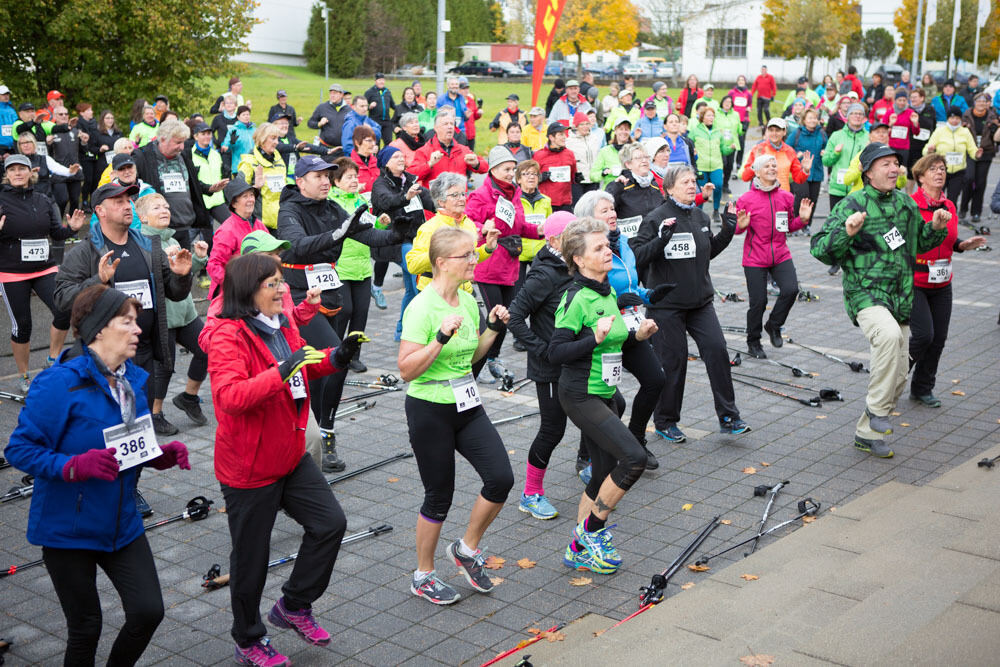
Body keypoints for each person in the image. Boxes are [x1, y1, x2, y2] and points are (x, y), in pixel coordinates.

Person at [5, 284, 191, 665]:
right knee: (86, 627)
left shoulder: (133, 381)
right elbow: (19, 450)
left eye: (137, 322)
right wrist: (72, 466)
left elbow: (128, 447)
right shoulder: (58, 383)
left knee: (148, 611)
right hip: (67, 529)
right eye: (128, 322)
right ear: (99, 329)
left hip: (121, 522)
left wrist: (157, 455)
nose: (139, 330)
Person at [203, 252, 356, 664]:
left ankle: (293, 605)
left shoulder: (281, 322)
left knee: (330, 524)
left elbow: (302, 364)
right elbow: (230, 399)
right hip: (249, 467)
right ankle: (249, 638)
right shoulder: (226, 334)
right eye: (272, 283)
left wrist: (336, 357)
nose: (282, 289)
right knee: (251, 560)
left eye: (280, 282)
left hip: (289, 454)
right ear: (248, 290)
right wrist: (282, 371)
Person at [397, 226, 514, 604]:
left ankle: (466, 549)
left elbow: (471, 356)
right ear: (443, 263)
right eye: (467, 255)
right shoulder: (421, 307)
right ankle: (423, 575)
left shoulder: (466, 300)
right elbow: (406, 369)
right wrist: (439, 339)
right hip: (429, 408)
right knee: (439, 495)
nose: (475, 259)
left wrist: (493, 329)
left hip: (466, 403)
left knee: (500, 478)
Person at [810, 143, 949, 458]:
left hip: (900, 298)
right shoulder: (852, 203)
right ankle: (876, 410)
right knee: (886, 337)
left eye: (896, 164)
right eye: (885, 164)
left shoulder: (904, 203)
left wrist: (937, 229)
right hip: (865, 294)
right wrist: (846, 232)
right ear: (868, 171)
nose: (893, 169)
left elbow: (920, 243)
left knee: (899, 372)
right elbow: (819, 249)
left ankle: (866, 433)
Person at [546, 217, 658, 575]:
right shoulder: (575, 298)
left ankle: (576, 549)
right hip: (580, 395)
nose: (608, 251)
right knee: (634, 458)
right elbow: (555, 352)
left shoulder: (606, 291)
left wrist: (637, 337)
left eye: (607, 245)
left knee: (601, 476)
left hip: (605, 392)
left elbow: (615, 341)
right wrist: (591, 338)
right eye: (599, 248)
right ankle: (592, 534)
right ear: (578, 259)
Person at [276, 155, 400, 472]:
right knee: (336, 357)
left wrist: (400, 231)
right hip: (300, 295)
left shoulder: (331, 207)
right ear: (300, 181)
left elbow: (365, 233)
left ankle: (320, 432)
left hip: (331, 289)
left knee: (321, 368)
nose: (324, 181)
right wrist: (337, 234)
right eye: (317, 176)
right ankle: (310, 433)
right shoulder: (290, 208)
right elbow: (297, 245)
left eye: (327, 175)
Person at [630, 164, 750, 443]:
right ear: (669, 188)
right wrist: (661, 241)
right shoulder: (655, 218)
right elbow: (637, 256)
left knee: (718, 351)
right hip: (666, 305)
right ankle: (666, 421)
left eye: (693, 181)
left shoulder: (699, 215)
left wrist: (728, 230)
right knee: (673, 363)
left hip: (700, 302)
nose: (691, 185)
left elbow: (705, 253)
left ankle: (729, 417)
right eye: (685, 182)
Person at [575, 191, 670, 468]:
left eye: (613, 208)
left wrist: (650, 295)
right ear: (589, 219)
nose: (613, 214)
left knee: (655, 380)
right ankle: (586, 456)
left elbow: (632, 286)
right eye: (604, 211)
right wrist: (616, 303)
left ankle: (637, 438)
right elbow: (585, 295)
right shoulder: (584, 254)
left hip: (632, 328)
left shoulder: (624, 243)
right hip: (604, 331)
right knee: (603, 395)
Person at [507, 211, 576, 518]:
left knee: (611, 405)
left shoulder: (574, 265)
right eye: (572, 234)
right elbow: (515, 316)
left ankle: (587, 462)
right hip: (549, 366)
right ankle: (531, 493)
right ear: (554, 241)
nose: (579, 238)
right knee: (553, 429)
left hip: (576, 360)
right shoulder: (543, 275)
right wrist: (543, 350)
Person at [0, 154, 86, 391]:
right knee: (22, 325)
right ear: (7, 174)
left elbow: (56, 233)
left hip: (44, 267)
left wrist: (71, 229)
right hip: (12, 272)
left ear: (31, 173)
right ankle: (24, 374)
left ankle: (53, 360)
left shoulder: (43, 198)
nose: (17, 173)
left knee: (64, 310)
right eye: (12, 169)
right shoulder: (1, 199)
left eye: (22, 169)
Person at [908, 154, 987, 408]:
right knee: (923, 336)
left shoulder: (950, 206)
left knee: (938, 339)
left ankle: (922, 388)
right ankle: (892, 378)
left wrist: (962, 245)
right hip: (916, 281)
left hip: (942, 283)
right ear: (920, 176)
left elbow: (948, 240)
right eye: (933, 169)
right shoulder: (910, 206)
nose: (939, 173)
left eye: (942, 169)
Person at [464, 146, 543, 381]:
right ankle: (480, 361)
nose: (511, 173)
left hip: (510, 264)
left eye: (513, 169)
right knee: (494, 317)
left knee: (507, 316)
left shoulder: (514, 193)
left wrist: (539, 230)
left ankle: (493, 358)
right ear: (494, 169)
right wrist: (482, 228)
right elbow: (468, 222)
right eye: (507, 169)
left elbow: (519, 227)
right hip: (488, 265)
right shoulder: (481, 195)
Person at [135, 194, 209, 428]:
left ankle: (188, 397)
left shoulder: (171, 239)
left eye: (166, 206)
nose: (164, 210)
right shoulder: (142, 243)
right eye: (156, 207)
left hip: (185, 313)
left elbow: (182, 276)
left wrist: (197, 259)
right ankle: (155, 414)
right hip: (162, 317)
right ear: (143, 217)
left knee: (209, 347)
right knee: (164, 367)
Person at [735, 154, 812, 358]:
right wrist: (739, 226)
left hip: (780, 253)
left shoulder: (786, 197)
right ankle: (753, 341)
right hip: (755, 258)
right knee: (758, 302)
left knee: (791, 289)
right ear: (757, 172)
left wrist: (803, 220)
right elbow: (735, 229)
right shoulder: (746, 199)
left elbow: (787, 226)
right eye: (766, 166)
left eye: (774, 165)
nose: (771, 168)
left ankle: (774, 325)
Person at [328, 155, 387, 372]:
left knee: (361, 313)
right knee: (344, 311)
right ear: (336, 181)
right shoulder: (332, 203)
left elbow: (370, 230)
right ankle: (335, 354)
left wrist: (380, 225)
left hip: (363, 266)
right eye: (349, 177)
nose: (354, 181)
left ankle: (354, 356)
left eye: (355, 176)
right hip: (341, 267)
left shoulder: (361, 201)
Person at [371, 146, 435, 341]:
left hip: (417, 238)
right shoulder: (380, 184)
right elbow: (386, 202)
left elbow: (430, 203)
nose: (401, 158)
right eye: (395, 156)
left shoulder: (412, 180)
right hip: (396, 239)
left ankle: (401, 332)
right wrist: (406, 197)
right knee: (420, 286)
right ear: (385, 162)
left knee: (410, 289)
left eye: (402, 155)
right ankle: (421, 333)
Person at [133, 119, 220, 249]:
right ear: (162, 139)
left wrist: (209, 188)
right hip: (158, 231)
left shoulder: (184, 155)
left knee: (184, 267)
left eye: (183, 142)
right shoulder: (142, 156)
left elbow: (191, 183)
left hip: (185, 226)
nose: (182, 147)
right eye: (178, 142)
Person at [207, 176, 268, 299]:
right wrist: (234, 285)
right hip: (232, 294)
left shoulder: (259, 225)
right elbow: (214, 265)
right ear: (234, 203)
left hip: (255, 289)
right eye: (245, 196)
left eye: (251, 195)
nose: (250, 199)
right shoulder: (227, 230)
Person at [411, 111, 486, 188]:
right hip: (435, 199)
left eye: (452, 124)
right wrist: (429, 164)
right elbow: (412, 176)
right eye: (445, 124)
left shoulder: (463, 150)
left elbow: (485, 168)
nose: (450, 127)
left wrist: (476, 163)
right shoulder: (423, 151)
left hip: (459, 198)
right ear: (436, 128)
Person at [923, 106, 979, 203]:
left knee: (952, 200)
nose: (954, 120)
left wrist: (977, 154)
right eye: (952, 118)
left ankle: (951, 218)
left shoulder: (965, 132)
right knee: (937, 198)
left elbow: (972, 149)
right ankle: (936, 217)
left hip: (958, 172)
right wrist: (929, 150)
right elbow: (925, 150)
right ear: (948, 118)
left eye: (957, 118)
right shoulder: (940, 131)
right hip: (940, 170)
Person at [740, 118, 811, 192]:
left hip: (783, 197)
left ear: (784, 132)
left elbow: (798, 179)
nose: (774, 133)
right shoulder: (759, 149)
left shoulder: (790, 151)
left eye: (777, 130)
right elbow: (745, 177)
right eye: (771, 130)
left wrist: (805, 170)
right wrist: (755, 164)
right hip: (762, 197)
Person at [959, 94, 1000, 222]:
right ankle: (963, 208)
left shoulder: (992, 117)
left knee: (981, 183)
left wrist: (995, 126)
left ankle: (976, 212)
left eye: (984, 101)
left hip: (986, 151)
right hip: (970, 151)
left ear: (987, 103)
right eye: (979, 101)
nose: (981, 103)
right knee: (969, 178)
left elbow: (996, 137)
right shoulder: (966, 115)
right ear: (975, 102)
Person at [691, 106, 736, 220]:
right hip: (701, 165)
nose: (711, 118)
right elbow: (689, 145)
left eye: (712, 115)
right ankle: (698, 212)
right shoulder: (695, 131)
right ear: (702, 117)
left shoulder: (718, 132)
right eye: (708, 115)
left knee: (718, 185)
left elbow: (723, 149)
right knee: (701, 190)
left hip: (716, 165)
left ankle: (716, 210)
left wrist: (730, 148)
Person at [823, 103, 869, 210]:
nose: (857, 116)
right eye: (853, 113)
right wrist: (835, 153)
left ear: (864, 118)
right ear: (847, 116)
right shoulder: (836, 136)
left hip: (859, 190)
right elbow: (826, 161)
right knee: (837, 223)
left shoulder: (869, 137)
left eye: (860, 114)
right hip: (838, 189)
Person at [787, 108, 828, 225]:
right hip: (799, 172)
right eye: (810, 118)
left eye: (815, 118)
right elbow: (787, 149)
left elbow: (828, 147)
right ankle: (794, 222)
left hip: (816, 171)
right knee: (802, 196)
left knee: (812, 200)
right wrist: (796, 154)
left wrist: (825, 151)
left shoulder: (822, 133)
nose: (813, 120)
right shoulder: (797, 133)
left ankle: (807, 225)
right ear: (804, 120)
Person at [606, 142, 663, 221]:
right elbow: (604, 209)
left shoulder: (654, 184)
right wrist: (616, 188)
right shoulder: (619, 185)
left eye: (646, 157)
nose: (644, 161)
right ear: (628, 164)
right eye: (639, 158)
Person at [189, 120, 229, 224]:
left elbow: (221, 175)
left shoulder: (216, 155)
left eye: (209, 134)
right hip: (201, 202)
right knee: (204, 236)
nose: (207, 136)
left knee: (230, 225)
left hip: (218, 200)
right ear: (196, 136)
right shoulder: (189, 155)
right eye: (203, 134)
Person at [535, 123, 577, 212]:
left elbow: (573, 176)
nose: (564, 137)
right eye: (560, 134)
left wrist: (577, 178)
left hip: (566, 203)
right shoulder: (539, 155)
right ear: (551, 137)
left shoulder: (570, 154)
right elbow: (529, 179)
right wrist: (541, 178)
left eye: (564, 134)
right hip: (546, 203)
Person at [567, 111, 602, 200]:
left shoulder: (594, 138)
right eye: (582, 124)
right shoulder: (569, 141)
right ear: (576, 126)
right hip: (579, 181)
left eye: (587, 124)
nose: (585, 126)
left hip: (593, 179)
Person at [308, 83, 350, 153]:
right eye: (331, 93)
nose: (332, 95)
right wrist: (319, 124)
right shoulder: (322, 107)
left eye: (335, 93)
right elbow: (310, 123)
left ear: (341, 95)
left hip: (343, 150)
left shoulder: (349, 110)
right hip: (326, 149)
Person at [716, 96, 744, 191]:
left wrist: (741, 129)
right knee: (723, 164)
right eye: (725, 101)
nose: (727, 103)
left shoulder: (736, 114)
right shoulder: (716, 113)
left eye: (729, 102)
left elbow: (739, 128)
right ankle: (718, 183)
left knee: (730, 165)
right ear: (722, 103)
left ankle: (725, 184)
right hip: (720, 143)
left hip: (732, 143)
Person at [908, 88, 938, 176]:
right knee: (911, 172)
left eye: (915, 97)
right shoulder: (909, 110)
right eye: (911, 97)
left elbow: (934, 125)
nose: (912, 99)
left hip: (926, 145)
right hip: (912, 145)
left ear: (922, 98)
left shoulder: (930, 109)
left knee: (925, 171)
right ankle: (910, 190)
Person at [365, 73, 396, 147]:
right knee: (375, 144)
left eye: (383, 80)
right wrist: (369, 106)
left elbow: (393, 105)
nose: (381, 82)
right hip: (375, 122)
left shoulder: (387, 92)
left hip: (387, 122)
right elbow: (363, 106)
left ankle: (387, 158)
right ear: (375, 81)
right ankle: (376, 158)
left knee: (389, 143)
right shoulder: (369, 92)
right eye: (379, 80)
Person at [348, 125, 379, 192]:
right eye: (369, 141)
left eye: (374, 141)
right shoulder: (348, 165)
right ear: (357, 143)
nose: (373, 144)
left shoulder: (378, 163)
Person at [459, 78, 482, 151]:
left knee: (471, 153)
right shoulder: (457, 101)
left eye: (467, 88)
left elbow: (474, 116)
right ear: (459, 90)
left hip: (471, 133)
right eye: (463, 89)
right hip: (461, 133)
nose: (466, 90)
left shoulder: (471, 100)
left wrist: (478, 114)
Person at [0, 85, 15, 158]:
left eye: (7, 94)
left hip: (14, 145)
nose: (6, 96)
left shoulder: (12, 109)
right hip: (1, 146)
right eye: (3, 94)